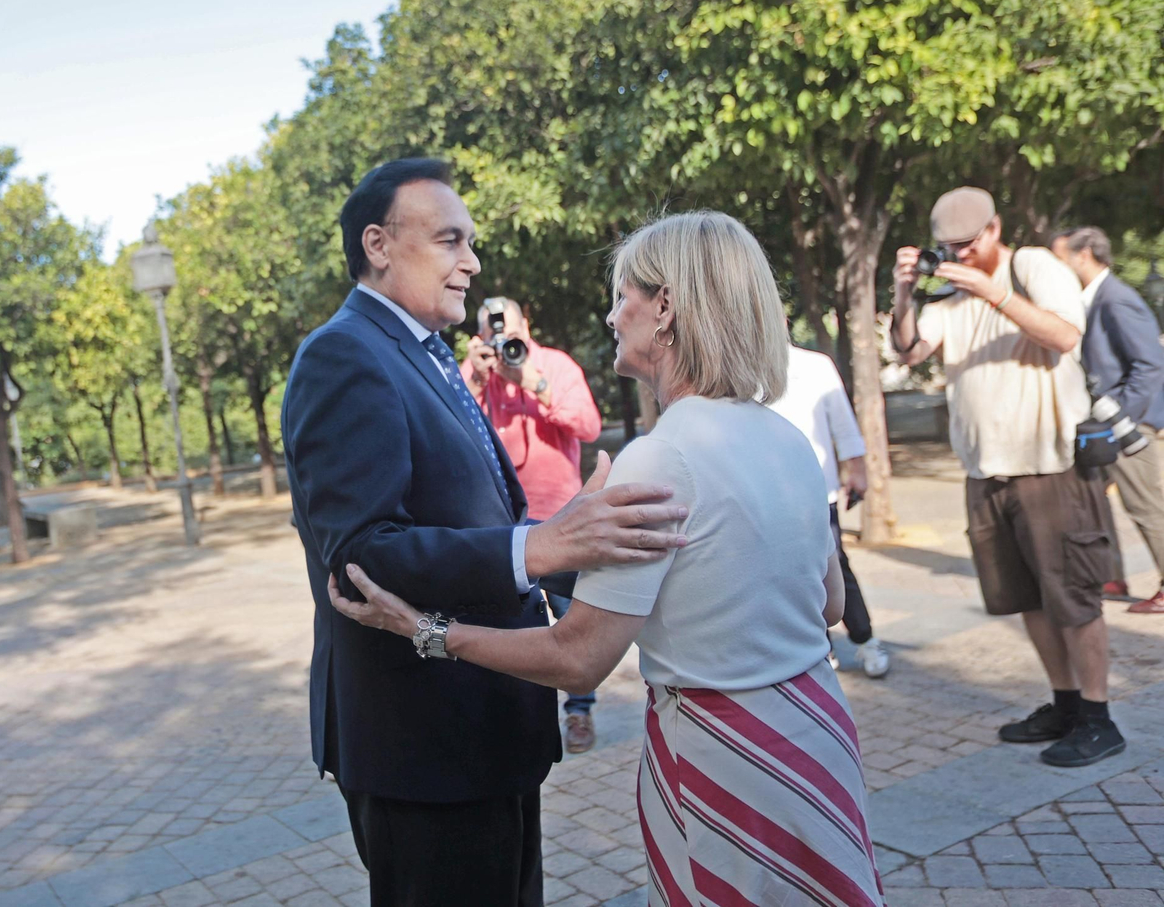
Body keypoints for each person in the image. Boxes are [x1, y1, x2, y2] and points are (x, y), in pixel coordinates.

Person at [331, 210, 884, 907]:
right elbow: (830, 604)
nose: (611, 315)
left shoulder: (661, 456)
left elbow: (578, 659)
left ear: (665, 307)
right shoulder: (786, 437)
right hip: (815, 728)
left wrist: (427, 632)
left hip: (728, 751)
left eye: (623, 297)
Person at [282, 158, 689, 907]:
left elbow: (479, 520)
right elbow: (362, 553)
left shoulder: (423, 351)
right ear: (378, 244)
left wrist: (592, 546)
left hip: (481, 729)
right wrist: (541, 545)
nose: (471, 262)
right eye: (449, 240)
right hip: (424, 743)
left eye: (470, 242)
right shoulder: (345, 354)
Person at [891, 187, 1122, 767]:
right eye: (949, 247)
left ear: (995, 228)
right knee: (1025, 598)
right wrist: (903, 292)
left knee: (1074, 597)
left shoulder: (1033, 267)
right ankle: (1065, 705)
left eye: (969, 244)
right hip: (984, 472)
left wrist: (993, 292)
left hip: (1049, 467)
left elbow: (1064, 336)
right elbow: (910, 350)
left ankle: (1100, 718)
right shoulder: (950, 289)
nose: (960, 255)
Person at [463, 297, 606, 751]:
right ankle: (517, 716)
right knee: (508, 622)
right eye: (494, 335)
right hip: (499, 522)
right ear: (480, 338)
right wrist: (474, 377)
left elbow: (589, 426)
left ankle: (579, 712)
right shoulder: (475, 373)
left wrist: (533, 382)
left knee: (574, 618)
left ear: (527, 326)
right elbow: (449, 433)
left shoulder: (555, 365)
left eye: (511, 333)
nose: (505, 342)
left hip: (562, 515)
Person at [1052, 226, 1164, 613]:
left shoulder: (1116, 299)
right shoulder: (1091, 298)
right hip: (1101, 427)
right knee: (1091, 501)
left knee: (1146, 507)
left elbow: (1150, 365)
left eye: (1059, 258)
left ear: (1083, 255)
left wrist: (1122, 417)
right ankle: (1110, 577)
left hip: (1128, 426)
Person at [769, 335, 891, 677]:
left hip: (820, 492)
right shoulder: (742, 369)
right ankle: (821, 648)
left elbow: (843, 422)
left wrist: (858, 469)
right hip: (770, 495)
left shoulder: (815, 365)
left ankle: (866, 639)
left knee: (834, 565)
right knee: (790, 574)